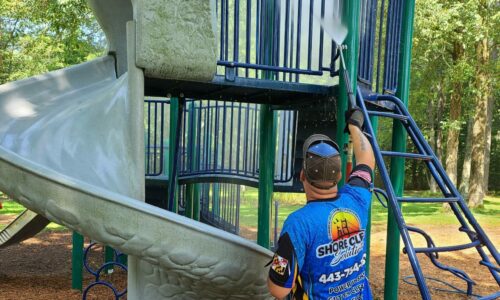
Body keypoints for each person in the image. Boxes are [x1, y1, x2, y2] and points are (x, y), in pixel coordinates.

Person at [267, 107, 375, 300]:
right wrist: (355, 126)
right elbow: (366, 160)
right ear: (340, 175)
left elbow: (279, 289)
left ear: (302, 175)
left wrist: (279, 258)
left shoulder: (297, 224)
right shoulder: (358, 198)